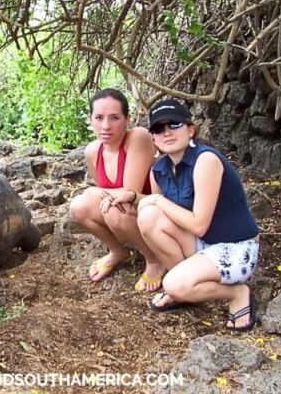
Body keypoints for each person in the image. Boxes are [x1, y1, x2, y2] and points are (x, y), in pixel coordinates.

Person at [134, 98, 259, 331]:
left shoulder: (206, 160)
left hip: (234, 248)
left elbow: (199, 224)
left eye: (174, 125)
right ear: (153, 138)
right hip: (201, 245)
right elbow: (161, 214)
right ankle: (183, 286)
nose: (167, 133)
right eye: (158, 129)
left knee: (173, 282)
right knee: (148, 216)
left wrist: (157, 200)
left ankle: (236, 293)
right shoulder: (159, 170)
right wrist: (143, 201)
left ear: (190, 130)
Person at [69, 88, 164, 292]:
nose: (105, 126)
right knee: (78, 207)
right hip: (124, 214)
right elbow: (104, 192)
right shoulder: (92, 151)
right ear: (90, 119)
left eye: (114, 118)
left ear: (127, 119)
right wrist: (95, 194)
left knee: (114, 210)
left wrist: (95, 193)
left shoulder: (138, 137)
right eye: (99, 118)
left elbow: (129, 191)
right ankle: (118, 251)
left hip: (150, 208)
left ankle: (155, 259)